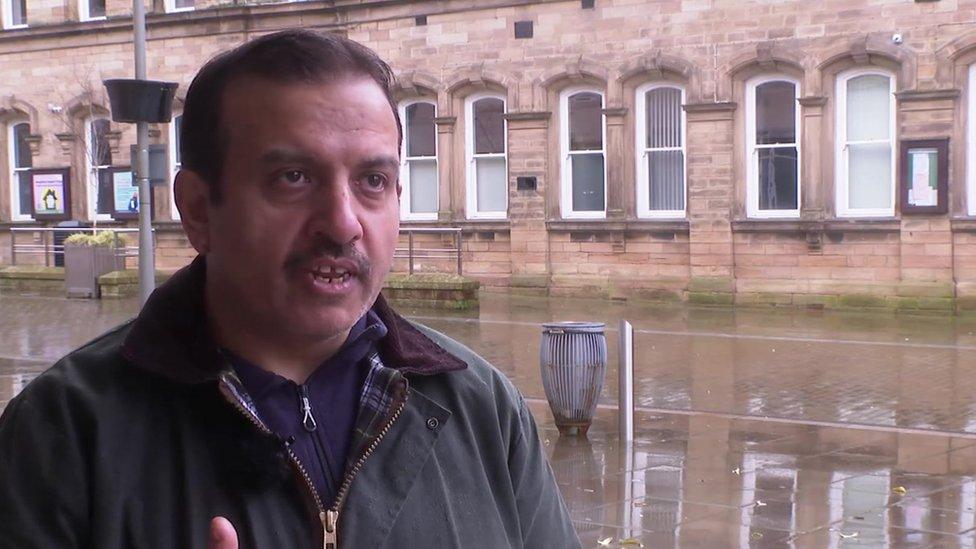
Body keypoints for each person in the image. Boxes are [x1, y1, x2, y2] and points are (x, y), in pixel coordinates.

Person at [0, 30, 580, 549]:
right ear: (199, 210)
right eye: (293, 179)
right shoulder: (61, 434)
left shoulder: (482, 407)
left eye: (373, 181)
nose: (343, 222)